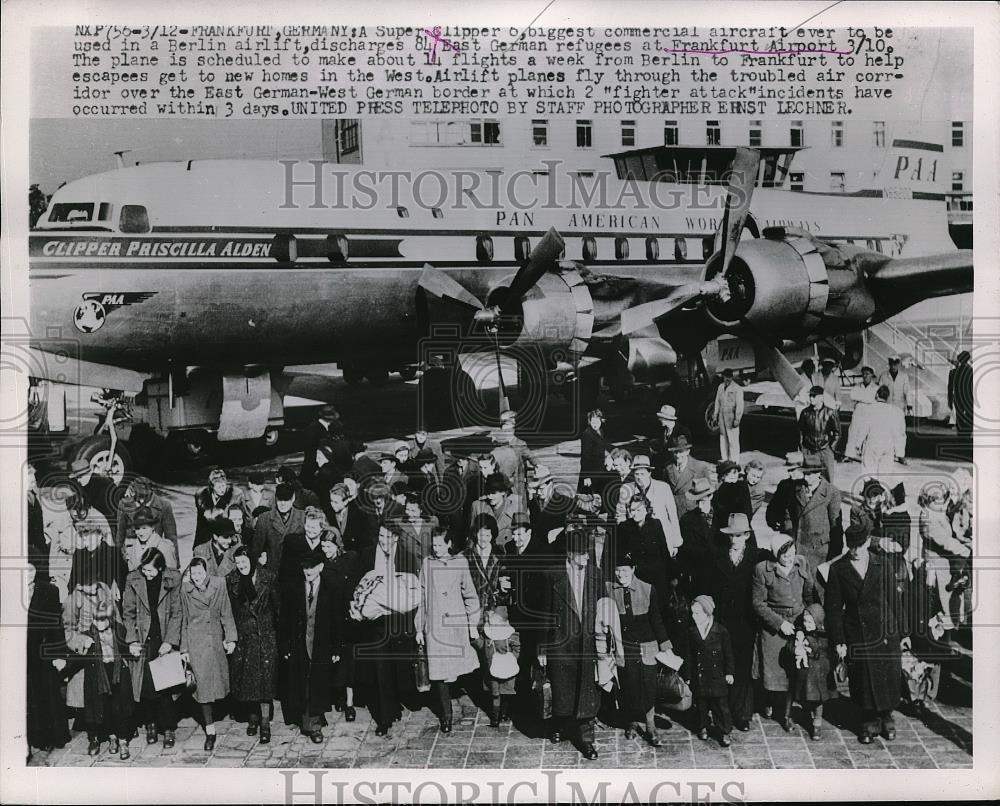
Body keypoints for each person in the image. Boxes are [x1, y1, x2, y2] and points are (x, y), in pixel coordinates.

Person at [826, 521, 911, 744]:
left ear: (866, 543)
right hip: (857, 633)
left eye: (859, 547)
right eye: (851, 547)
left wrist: (904, 633)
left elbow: (895, 600)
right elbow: (833, 610)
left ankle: (886, 715)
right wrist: (839, 640)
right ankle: (869, 718)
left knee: (887, 677)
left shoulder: (882, 564)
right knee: (863, 679)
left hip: (885, 631)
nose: (855, 552)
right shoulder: (838, 569)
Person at [538, 527, 603, 760]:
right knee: (562, 689)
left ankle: (586, 739)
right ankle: (560, 724)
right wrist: (542, 648)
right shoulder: (551, 576)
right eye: (582, 553)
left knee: (586, 692)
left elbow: (602, 610)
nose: (587, 557)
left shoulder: (595, 574)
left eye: (587, 553)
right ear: (570, 555)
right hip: (561, 644)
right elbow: (545, 614)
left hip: (587, 645)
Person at [353, 520, 421, 736]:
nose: (383, 542)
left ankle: (395, 705)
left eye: (388, 538)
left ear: (397, 539)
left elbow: (412, 593)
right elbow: (360, 585)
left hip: (398, 622)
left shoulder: (406, 558)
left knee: (397, 667)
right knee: (380, 668)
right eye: (381, 536)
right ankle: (384, 718)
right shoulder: (367, 555)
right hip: (376, 623)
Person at [699, 512, 762, 732]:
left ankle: (742, 713)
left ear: (746, 535)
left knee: (743, 666)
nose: (734, 540)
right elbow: (707, 587)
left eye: (739, 535)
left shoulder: (756, 557)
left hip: (745, 621)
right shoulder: (717, 557)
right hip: (722, 620)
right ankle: (720, 711)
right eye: (731, 535)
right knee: (722, 664)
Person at [414, 528, 480, 732]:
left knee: (463, 668)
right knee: (439, 674)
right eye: (434, 545)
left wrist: (472, 624)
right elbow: (422, 598)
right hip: (434, 627)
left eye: (440, 545)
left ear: (449, 544)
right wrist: (419, 627)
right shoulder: (427, 564)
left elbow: (470, 594)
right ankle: (446, 716)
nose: (436, 549)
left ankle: (484, 702)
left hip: (456, 626)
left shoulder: (460, 563)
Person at [606, 549, 672, 747]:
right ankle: (631, 722)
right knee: (628, 686)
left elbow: (656, 619)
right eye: (618, 571)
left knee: (648, 686)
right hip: (623, 648)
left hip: (647, 647)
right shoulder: (609, 589)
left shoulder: (647, 589)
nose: (621, 576)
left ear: (633, 569)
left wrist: (665, 643)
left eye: (625, 571)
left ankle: (650, 726)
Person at [752, 539, 816, 731]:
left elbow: (809, 595)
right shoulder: (763, 570)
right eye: (784, 555)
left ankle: (787, 715)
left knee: (792, 672)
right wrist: (779, 624)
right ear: (775, 555)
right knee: (772, 670)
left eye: (792, 553)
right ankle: (769, 700)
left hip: (797, 623)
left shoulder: (801, 563)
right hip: (774, 625)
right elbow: (758, 603)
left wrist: (809, 618)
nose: (789, 558)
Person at [122, 547, 183, 748]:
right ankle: (150, 724)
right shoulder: (133, 579)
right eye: (144, 570)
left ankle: (168, 728)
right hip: (143, 639)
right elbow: (128, 613)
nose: (147, 574)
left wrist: (170, 641)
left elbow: (177, 613)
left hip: (163, 638)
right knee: (146, 687)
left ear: (161, 568)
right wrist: (131, 640)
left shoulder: (172, 579)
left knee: (164, 686)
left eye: (151, 571)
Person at [278, 550, 342, 742]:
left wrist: (337, 648)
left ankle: (313, 724)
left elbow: (337, 621)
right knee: (302, 682)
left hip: (321, 645)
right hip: (299, 644)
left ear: (321, 567)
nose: (308, 571)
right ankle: (311, 722)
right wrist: (285, 647)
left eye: (312, 567)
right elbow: (284, 620)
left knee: (317, 683)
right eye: (305, 567)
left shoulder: (331, 589)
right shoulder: (294, 588)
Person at [180, 556, 238, 750]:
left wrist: (230, 637)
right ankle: (210, 730)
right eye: (193, 573)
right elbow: (184, 621)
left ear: (206, 571)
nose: (197, 577)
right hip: (196, 644)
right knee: (203, 689)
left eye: (200, 573)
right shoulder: (185, 590)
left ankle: (226, 712)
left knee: (221, 682)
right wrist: (184, 649)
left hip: (215, 641)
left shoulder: (219, 585)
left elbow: (226, 612)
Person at [226, 545, 279, 743]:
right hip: (245, 637)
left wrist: (276, 636)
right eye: (238, 562)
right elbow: (229, 611)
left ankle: (265, 722)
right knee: (248, 681)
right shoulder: (232, 581)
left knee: (265, 682)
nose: (241, 566)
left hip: (265, 635)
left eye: (245, 562)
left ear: (253, 561)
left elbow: (277, 607)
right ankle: (253, 717)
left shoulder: (268, 577)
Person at [72, 600, 134, 758]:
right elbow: (77, 653)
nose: (99, 623)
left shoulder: (118, 630)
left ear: (110, 619)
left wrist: (131, 649)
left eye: (103, 619)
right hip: (99, 676)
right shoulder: (88, 635)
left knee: (119, 708)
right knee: (104, 708)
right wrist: (81, 646)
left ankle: (122, 741)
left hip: (117, 672)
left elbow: (124, 648)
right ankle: (111, 737)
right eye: (96, 619)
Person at [26, 562, 71, 754]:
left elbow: (57, 626)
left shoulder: (49, 591)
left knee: (48, 693)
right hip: (23, 652)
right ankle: (34, 737)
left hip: (44, 652)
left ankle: (52, 736)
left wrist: (59, 655)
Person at [318, 528, 362, 721]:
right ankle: (336, 696)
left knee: (348, 661)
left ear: (337, 545)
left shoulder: (350, 559)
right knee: (333, 659)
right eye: (323, 546)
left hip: (347, 618)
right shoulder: (321, 564)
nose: (325, 549)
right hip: (330, 618)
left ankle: (349, 703)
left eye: (329, 546)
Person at [919, 483, 971, 633]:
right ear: (929, 500)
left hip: (944, 562)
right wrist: (965, 550)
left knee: (950, 600)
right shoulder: (928, 517)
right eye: (937, 499)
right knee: (942, 603)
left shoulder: (936, 512)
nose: (942, 502)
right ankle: (942, 637)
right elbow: (943, 540)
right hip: (937, 564)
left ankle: (950, 629)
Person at [688, 595, 734, 747]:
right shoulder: (692, 631)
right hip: (700, 676)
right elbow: (689, 655)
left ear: (707, 613)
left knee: (720, 706)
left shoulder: (721, 631)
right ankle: (702, 727)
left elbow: (728, 654)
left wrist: (729, 672)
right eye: (692, 613)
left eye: (698, 613)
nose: (694, 617)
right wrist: (688, 675)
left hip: (717, 677)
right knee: (701, 704)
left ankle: (724, 731)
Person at [624, 455, 682, 557]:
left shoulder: (663, 488)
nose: (639, 477)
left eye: (642, 473)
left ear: (649, 473)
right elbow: (620, 516)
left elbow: (673, 516)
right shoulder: (626, 489)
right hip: (637, 539)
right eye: (636, 474)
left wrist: (675, 542)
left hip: (662, 539)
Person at [794, 463, 844, 580]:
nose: (806, 478)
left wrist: (835, 554)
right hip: (798, 544)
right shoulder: (796, 488)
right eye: (805, 474)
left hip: (819, 549)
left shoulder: (831, 492)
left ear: (818, 473)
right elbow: (788, 512)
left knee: (816, 587)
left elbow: (835, 524)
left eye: (810, 474)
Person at [791, 603, 833, 741]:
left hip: (818, 674)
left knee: (818, 699)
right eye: (804, 621)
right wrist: (796, 646)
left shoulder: (823, 636)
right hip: (806, 673)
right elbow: (790, 648)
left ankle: (817, 723)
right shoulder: (801, 633)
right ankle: (808, 713)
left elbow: (821, 650)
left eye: (810, 621)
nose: (806, 624)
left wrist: (807, 643)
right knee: (808, 696)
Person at [253, 483, 305, 574]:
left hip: (296, 572)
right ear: (275, 498)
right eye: (280, 500)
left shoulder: (302, 517)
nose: (283, 504)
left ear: (293, 498)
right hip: (272, 573)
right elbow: (256, 549)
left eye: (286, 500)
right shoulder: (264, 519)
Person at [116, 477, 178, 553]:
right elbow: (120, 536)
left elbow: (171, 539)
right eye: (139, 495)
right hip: (130, 557)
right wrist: (118, 559)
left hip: (153, 556)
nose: (142, 500)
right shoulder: (124, 504)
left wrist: (174, 563)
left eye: (144, 496)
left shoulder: (164, 506)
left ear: (151, 490)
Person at [855, 385, 907, 474]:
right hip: (888, 445)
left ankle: (871, 487)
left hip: (872, 444)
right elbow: (900, 433)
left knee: (869, 473)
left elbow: (864, 428)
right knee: (885, 475)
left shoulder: (869, 409)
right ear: (887, 397)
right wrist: (899, 452)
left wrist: (858, 444)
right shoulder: (896, 411)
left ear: (876, 395)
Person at [278, 506, 333, 590]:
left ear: (322, 528)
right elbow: (284, 572)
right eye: (308, 526)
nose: (310, 530)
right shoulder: (292, 542)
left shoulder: (326, 545)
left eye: (313, 527)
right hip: (295, 589)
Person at [677, 478, 715, 597]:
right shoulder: (687, 519)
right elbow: (684, 550)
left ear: (711, 496)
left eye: (704, 499)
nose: (701, 504)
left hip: (719, 570)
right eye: (698, 501)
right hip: (698, 572)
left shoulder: (722, 516)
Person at [66, 458, 118, 542]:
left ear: (89, 473)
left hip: (113, 521)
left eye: (80, 477)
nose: (78, 480)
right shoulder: (84, 484)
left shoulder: (103, 485)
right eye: (77, 478)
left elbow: (112, 514)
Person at [664, 434, 715, 519]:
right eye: (675, 452)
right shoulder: (667, 467)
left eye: (680, 452)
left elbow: (708, 492)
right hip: (674, 509)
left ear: (688, 451)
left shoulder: (699, 467)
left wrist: (704, 509)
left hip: (692, 510)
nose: (677, 455)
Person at [799, 385, 841, 483]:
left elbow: (837, 433)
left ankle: (828, 498)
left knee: (828, 480)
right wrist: (803, 447)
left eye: (814, 396)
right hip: (809, 450)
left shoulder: (830, 412)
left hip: (825, 451)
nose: (811, 398)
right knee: (809, 480)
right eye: (810, 396)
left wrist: (831, 448)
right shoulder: (805, 413)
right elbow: (801, 430)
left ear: (821, 397)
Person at [194, 468, 244, 548]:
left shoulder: (235, 497)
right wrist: (197, 545)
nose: (222, 489)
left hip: (227, 538)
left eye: (223, 486)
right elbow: (200, 524)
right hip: (207, 538)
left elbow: (242, 519)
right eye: (219, 487)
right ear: (212, 487)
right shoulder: (202, 497)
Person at [527, 465, 573, 550]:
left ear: (551, 484)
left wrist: (562, 532)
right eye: (536, 489)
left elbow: (577, 526)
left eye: (541, 488)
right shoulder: (533, 503)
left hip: (556, 553)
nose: (538, 493)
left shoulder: (565, 502)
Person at [469, 474, 518, 549]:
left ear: (503, 492)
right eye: (488, 493)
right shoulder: (477, 506)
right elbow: (471, 536)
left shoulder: (514, 508)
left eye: (493, 493)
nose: (489, 496)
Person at [125, 506, 179, 573]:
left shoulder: (165, 547)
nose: (141, 533)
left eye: (144, 528)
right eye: (137, 529)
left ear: (152, 527)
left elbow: (172, 575)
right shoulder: (130, 548)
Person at [301, 403, 343, 488]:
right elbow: (311, 452)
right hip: (314, 469)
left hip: (318, 467)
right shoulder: (315, 430)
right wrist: (316, 469)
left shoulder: (317, 427)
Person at [327, 482, 376, 553]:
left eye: (336, 502)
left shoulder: (359, 515)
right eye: (331, 501)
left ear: (346, 501)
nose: (333, 505)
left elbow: (365, 542)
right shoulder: (329, 513)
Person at [765, 452, 806, 535]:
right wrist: (772, 520)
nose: (790, 474)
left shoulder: (808, 485)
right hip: (786, 528)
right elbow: (773, 505)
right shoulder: (784, 484)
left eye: (793, 470)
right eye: (789, 470)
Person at [648, 404, 694, 478]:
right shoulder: (660, 429)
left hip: (675, 465)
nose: (659, 420)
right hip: (661, 466)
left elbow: (685, 453)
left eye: (661, 418)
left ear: (668, 419)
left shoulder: (683, 431)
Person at [845, 366, 879, 460]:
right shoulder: (857, 386)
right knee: (853, 431)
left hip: (870, 411)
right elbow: (852, 396)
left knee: (868, 432)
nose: (865, 376)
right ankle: (849, 455)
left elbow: (874, 400)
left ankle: (866, 455)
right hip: (859, 410)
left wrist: (861, 398)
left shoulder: (876, 388)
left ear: (872, 375)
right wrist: (866, 399)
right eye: (863, 374)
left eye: (867, 374)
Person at [710, 460, 752, 533]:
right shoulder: (719, 491)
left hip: (740, 524)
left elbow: (747, 508)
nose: (732, 483)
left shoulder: (741, 487)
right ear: (722, 478)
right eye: (730, 479)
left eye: (734, 478)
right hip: (724, 525)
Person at [712, 369, 744, 462]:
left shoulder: (737, 388)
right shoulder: (720, 387)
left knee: (733, 440)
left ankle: (734, 461)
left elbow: (740, 405)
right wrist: (715, 414)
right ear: (723, 377)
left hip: (731, 416)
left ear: (732, 377)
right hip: (722, 416)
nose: (727, 379)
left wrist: (737, 419)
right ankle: (725, 459)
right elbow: (717, 401)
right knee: (723, 438)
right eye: (726, 377)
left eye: (729, 377)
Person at [579, 408, 612, 495]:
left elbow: (601, 448)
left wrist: (607, 458)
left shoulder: (600, 431)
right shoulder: (587, 434)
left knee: (598, 495)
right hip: (591, 471)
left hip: (599, 469)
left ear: (601, 420)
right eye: (593, 422)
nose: (595, 425)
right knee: (587, 498)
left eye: (597, 422)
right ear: (589, 421)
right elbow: (585, 456)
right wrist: (586, 476)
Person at [949, 350, 973, 436]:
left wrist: (950, 400)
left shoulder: (953, 372)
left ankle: (960, 433)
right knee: (970, 415)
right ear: (967, 359)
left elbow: (950, 388)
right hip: (969, 397)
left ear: (959, 359)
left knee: (959, 416)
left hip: (958, 398)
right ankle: (967, 433)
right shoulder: (971, 371)